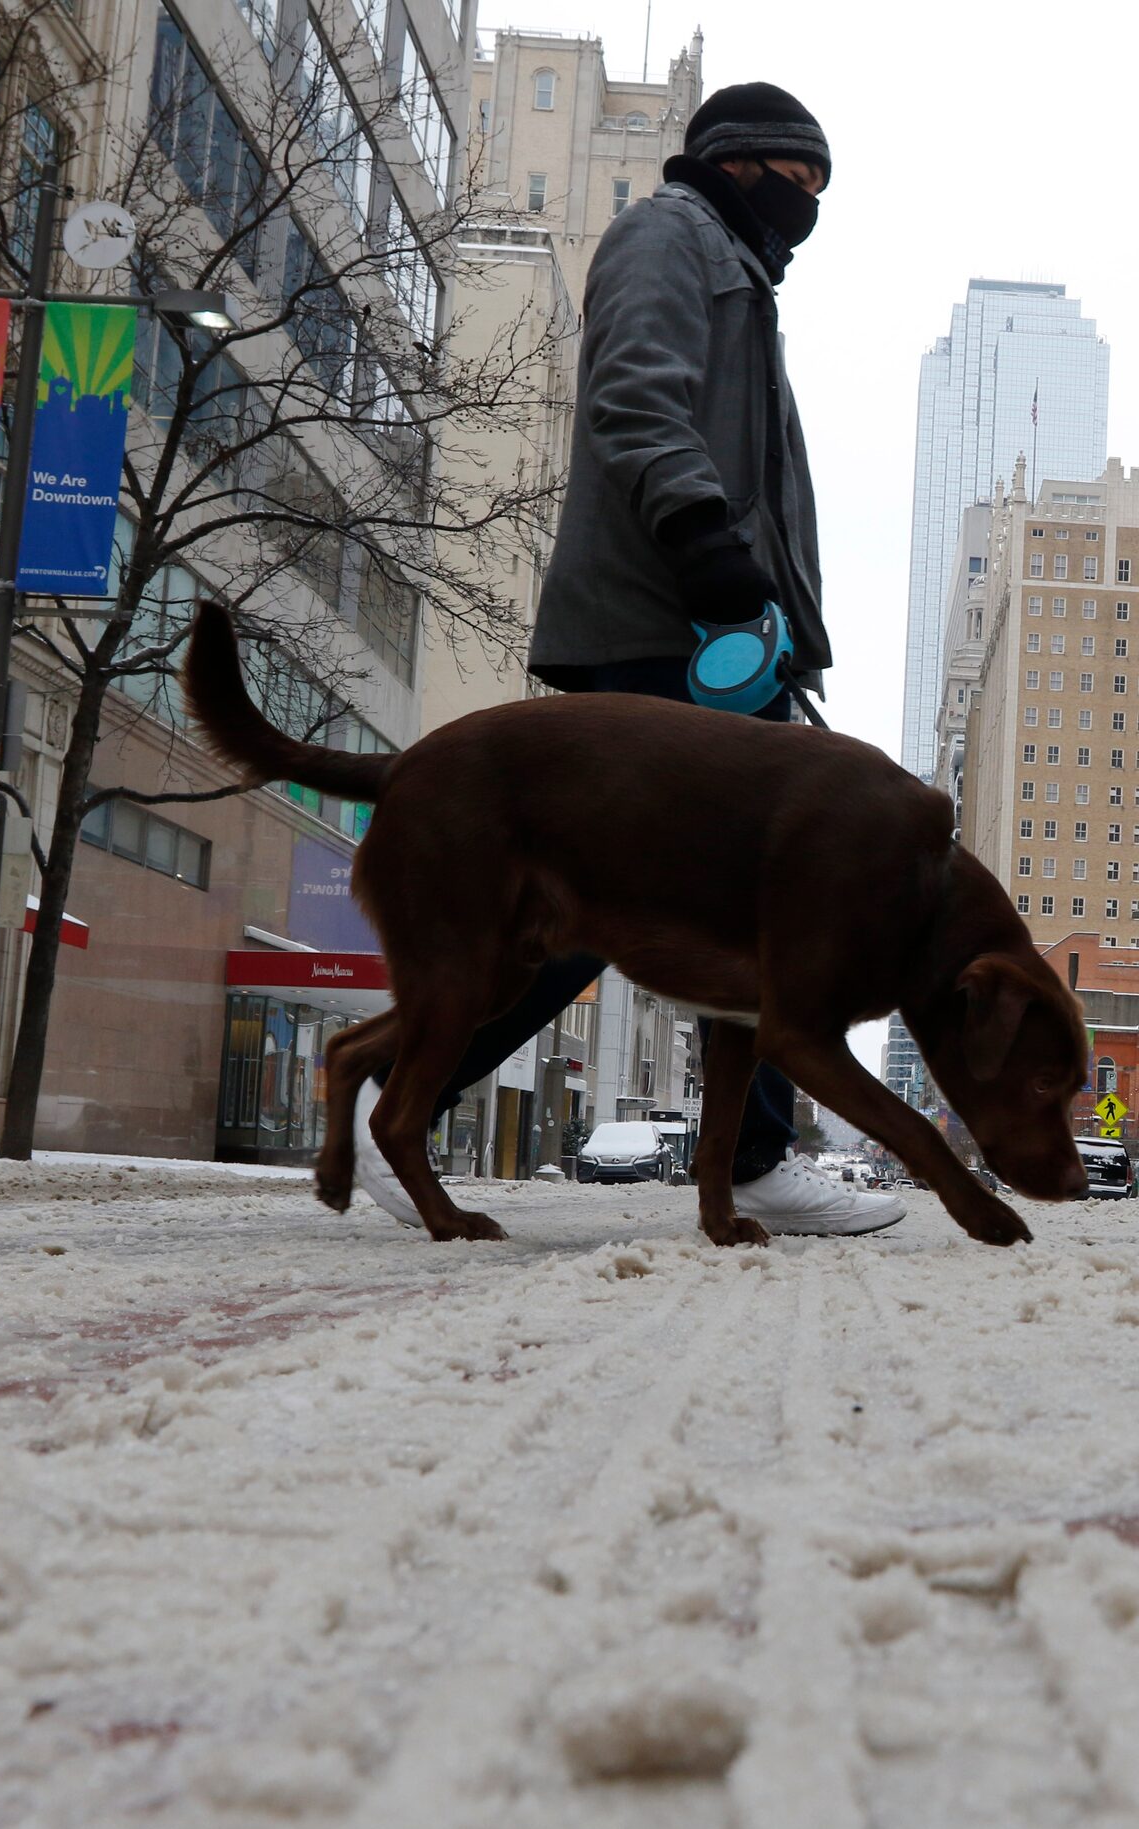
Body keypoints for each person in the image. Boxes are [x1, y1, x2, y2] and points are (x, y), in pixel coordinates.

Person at [350, 82, 902, 1236]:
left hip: (713, 644)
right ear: (734, 164)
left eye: (818, 189)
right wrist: (707, 543)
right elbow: (633, 397)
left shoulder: (736, 268)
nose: (803, 205)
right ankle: (417, 1097)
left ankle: (415, 1100)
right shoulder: (670, 236)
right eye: (789, 179)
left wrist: (775, 621)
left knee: (651, 909)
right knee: (631, 907)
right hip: (664, 626)